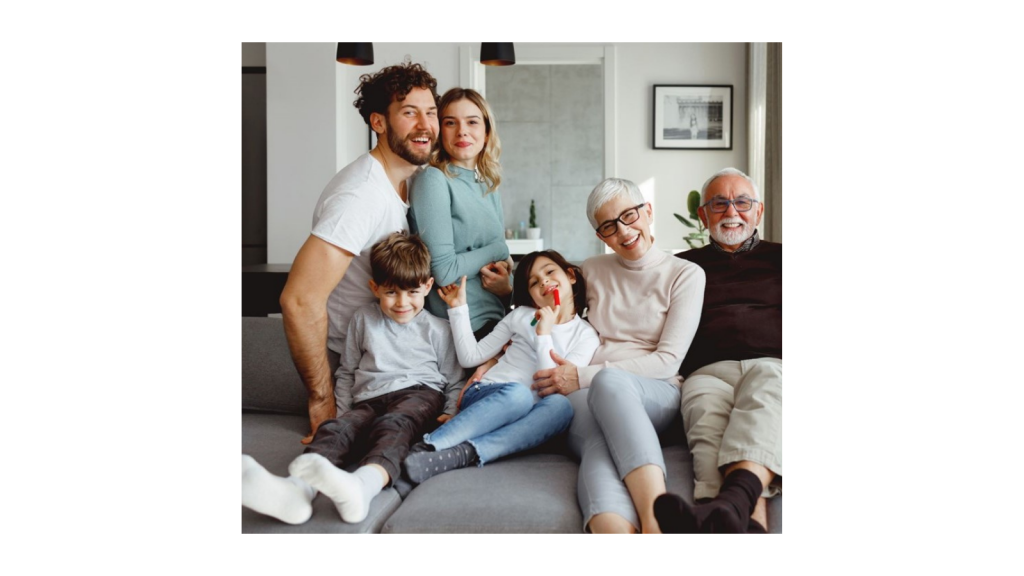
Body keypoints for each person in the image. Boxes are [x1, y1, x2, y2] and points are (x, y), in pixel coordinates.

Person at [242, 232, 464, 525]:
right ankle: (297, 491)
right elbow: (347, 370)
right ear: (375, 288)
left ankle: (363, 486)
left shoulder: (439, 328)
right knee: (336, 430)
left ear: (427, 286)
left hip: (420, 394)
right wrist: (342, 414)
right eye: (391, 292)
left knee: (394, 425)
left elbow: (453, 378)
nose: (402, 303)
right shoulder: (362, 319)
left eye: (412, 292)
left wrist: (450, 412)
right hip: (369, 399)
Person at [531, 178, 706, 533]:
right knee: (598, 444)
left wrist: (581, 376)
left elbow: (668, 361)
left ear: (648, 211)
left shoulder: (685, 275)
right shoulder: (592, 271)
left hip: (653, 390)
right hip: (586, 396)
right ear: (601, 236)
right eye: (610, 226)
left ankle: (656, 522)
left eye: (630, 215)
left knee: (609, 381)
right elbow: (549, 296)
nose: (624, 231)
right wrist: (510, 291)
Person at [278, 62, 439, 444]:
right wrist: (322, 397)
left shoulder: (406, 182)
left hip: (397, 350)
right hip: (357, 362)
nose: (425, 125)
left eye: (430, 112)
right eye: (409, 112)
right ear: (379, 123)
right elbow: (300, 300)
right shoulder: (360, 196)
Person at [654, 167, 782, 533]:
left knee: (768, 393)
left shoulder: (784, 258)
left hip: (772, 364)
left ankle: (721, 509)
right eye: (719, 203)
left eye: (742, 202)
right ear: (703, 215)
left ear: (758, 212)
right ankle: (740, 521)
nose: (731, 211)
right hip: (706, 372)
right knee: (705, 422)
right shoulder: (679, 266)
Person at [402, 250, 600, 484]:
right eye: (534, 282)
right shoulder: (521, 316)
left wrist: (544, 335)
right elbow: (470, 356)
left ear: (571, 277)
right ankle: (429, 445)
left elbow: (551, 386)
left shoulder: (586, 336)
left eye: (549, 272)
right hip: (488, 393)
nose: (544, 281)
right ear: (533, 296)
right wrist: (458, 309)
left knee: (561, 407)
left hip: (528, 415)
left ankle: (464, 453)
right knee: (518, 395)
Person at [409, 88, 512, 341]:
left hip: (498, 318)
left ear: (486, 132)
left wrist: (506, 288)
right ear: (439, 131)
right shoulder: (434, 179)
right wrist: (497, 249)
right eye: (450, 123)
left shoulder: (487, 182)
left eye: (472, 122)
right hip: (463, 327)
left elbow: (504, 264)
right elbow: (444, 271)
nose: (462, 131)